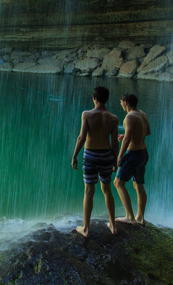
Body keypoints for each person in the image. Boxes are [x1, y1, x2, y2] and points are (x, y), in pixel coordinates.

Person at [72, 86, 119, 237]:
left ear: (94, 98)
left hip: (90, 155)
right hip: (106, 155)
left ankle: (86, 228)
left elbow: (82, 137)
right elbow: (115, 143)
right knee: (107, 190)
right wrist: (115, 160)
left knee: (88, 191)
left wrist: (75, 155)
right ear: (107, 99)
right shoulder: (113, 118)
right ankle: (112, 225)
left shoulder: (87, 114)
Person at [115, 93, 151, 226]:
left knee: (118, 183)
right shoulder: (143, 114)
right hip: (143, 153)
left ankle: (129, 216)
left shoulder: (129, 117)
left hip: (133, 154)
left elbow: (128, 140)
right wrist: (126, 135)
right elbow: (147, 132)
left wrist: (119, 156)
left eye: (121, 102)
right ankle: (140, 217)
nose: (121, 105)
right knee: (138, 185)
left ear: (126, 103)